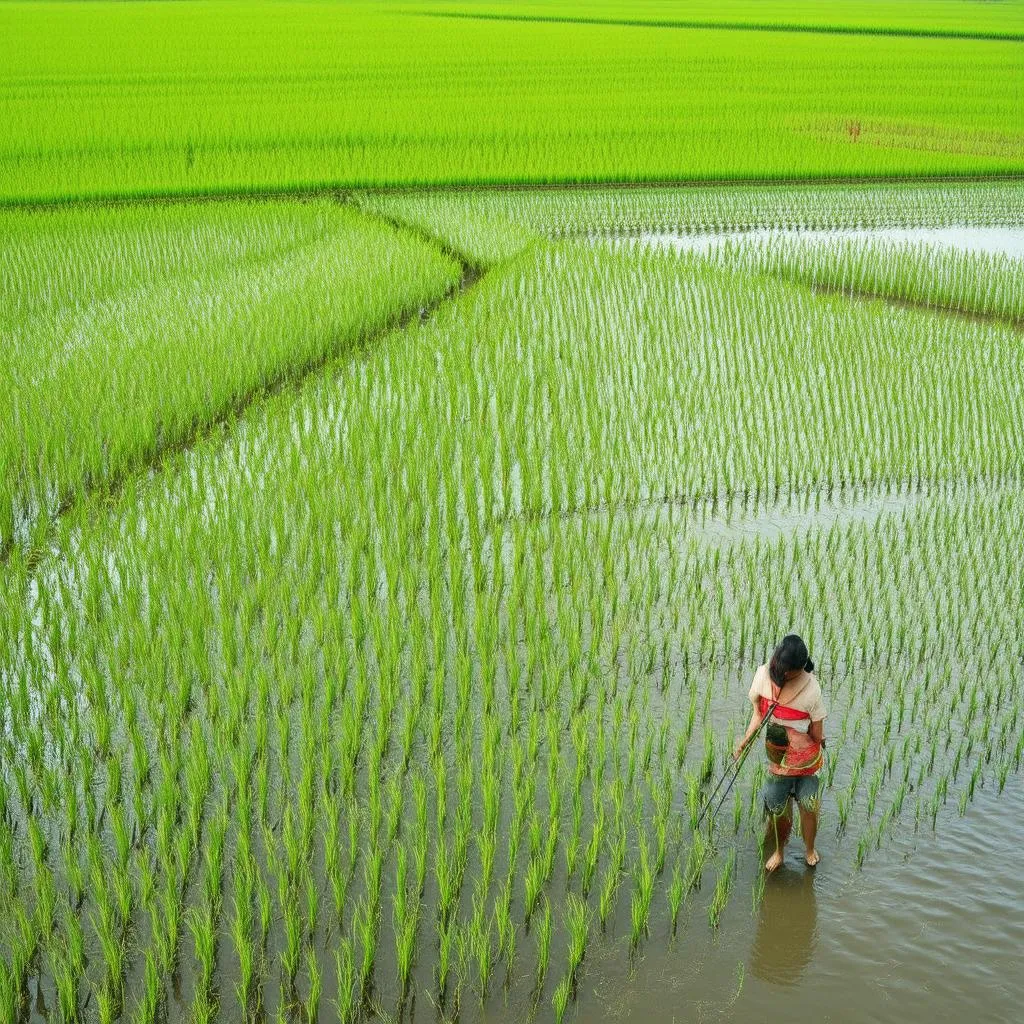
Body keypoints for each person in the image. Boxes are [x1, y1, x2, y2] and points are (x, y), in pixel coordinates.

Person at [733, 634, 827, 871]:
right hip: (779, 758)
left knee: (809, 804)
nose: (784, 675)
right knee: (777, 807)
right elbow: (758, 715)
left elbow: (817, 732)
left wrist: (819, 741)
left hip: (806, 761)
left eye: (790, 672)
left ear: (800, 668)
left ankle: (809, 849)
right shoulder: (763, 676)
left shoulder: (811, 687)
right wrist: (745, 742)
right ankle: (779, 852)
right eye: (781, 669)